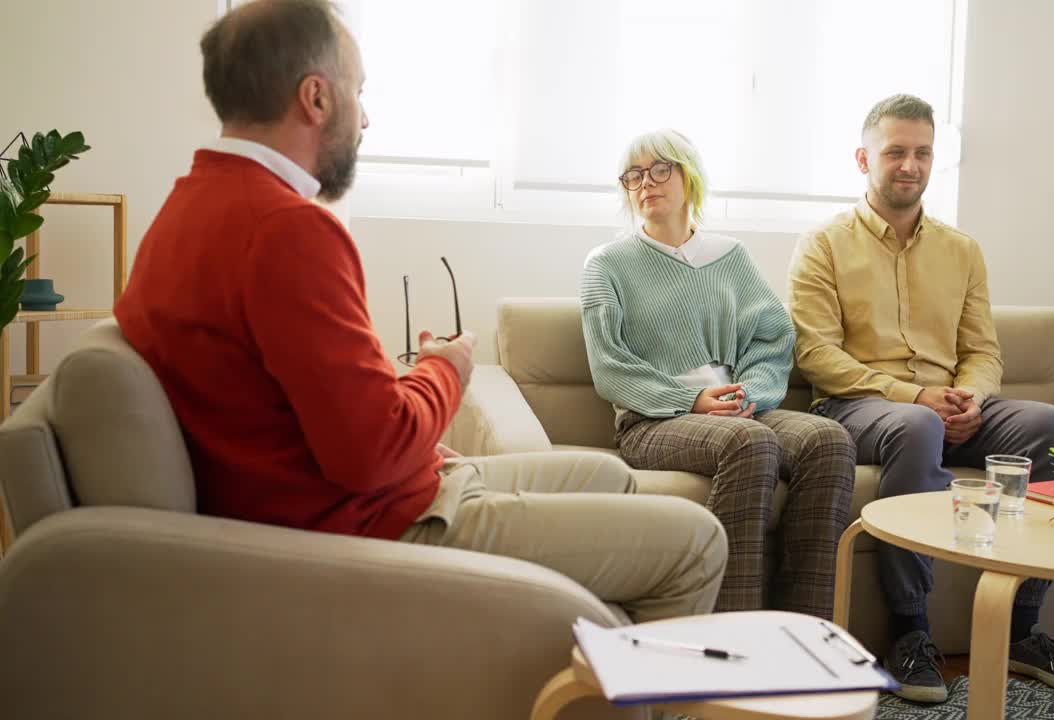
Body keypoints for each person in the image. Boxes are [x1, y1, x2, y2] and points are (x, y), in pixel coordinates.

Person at [113, 0, 726, 625]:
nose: (367, 117)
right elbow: (372, 454)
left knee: (608, 477)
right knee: (698, 541)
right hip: (378, 525)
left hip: (375, 495)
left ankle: (566, 659)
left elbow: (319, 415)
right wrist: (446, 370)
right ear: (316, 98)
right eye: (360, 91)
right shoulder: (287, 230)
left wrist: (421, 438)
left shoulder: (184, 209)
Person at [788, 94, 1054, 702]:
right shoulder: (823, 245)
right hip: (858, 403)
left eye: (923, 153)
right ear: (864, 158)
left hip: (948, 404)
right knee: (916, 427)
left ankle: (1020, 625)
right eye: (895, 152)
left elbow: (984, 349)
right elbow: (817, 356)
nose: (910, 165)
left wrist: (972, 398)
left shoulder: (961, 250)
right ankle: (910, 631)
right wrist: (917, 395)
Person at [580, 129, 855, 619]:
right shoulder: (607, 265)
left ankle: (805, 630)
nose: (646, 183)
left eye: (660, 169)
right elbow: (609, 366)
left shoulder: (731, 258)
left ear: (689, 176)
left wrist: (752, 393)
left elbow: (772, 337)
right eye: (634, 176)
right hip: (654, 421)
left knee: (828, 441)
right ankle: (729, 634)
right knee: (749, 443)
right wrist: (691, 401)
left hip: (737, 408)